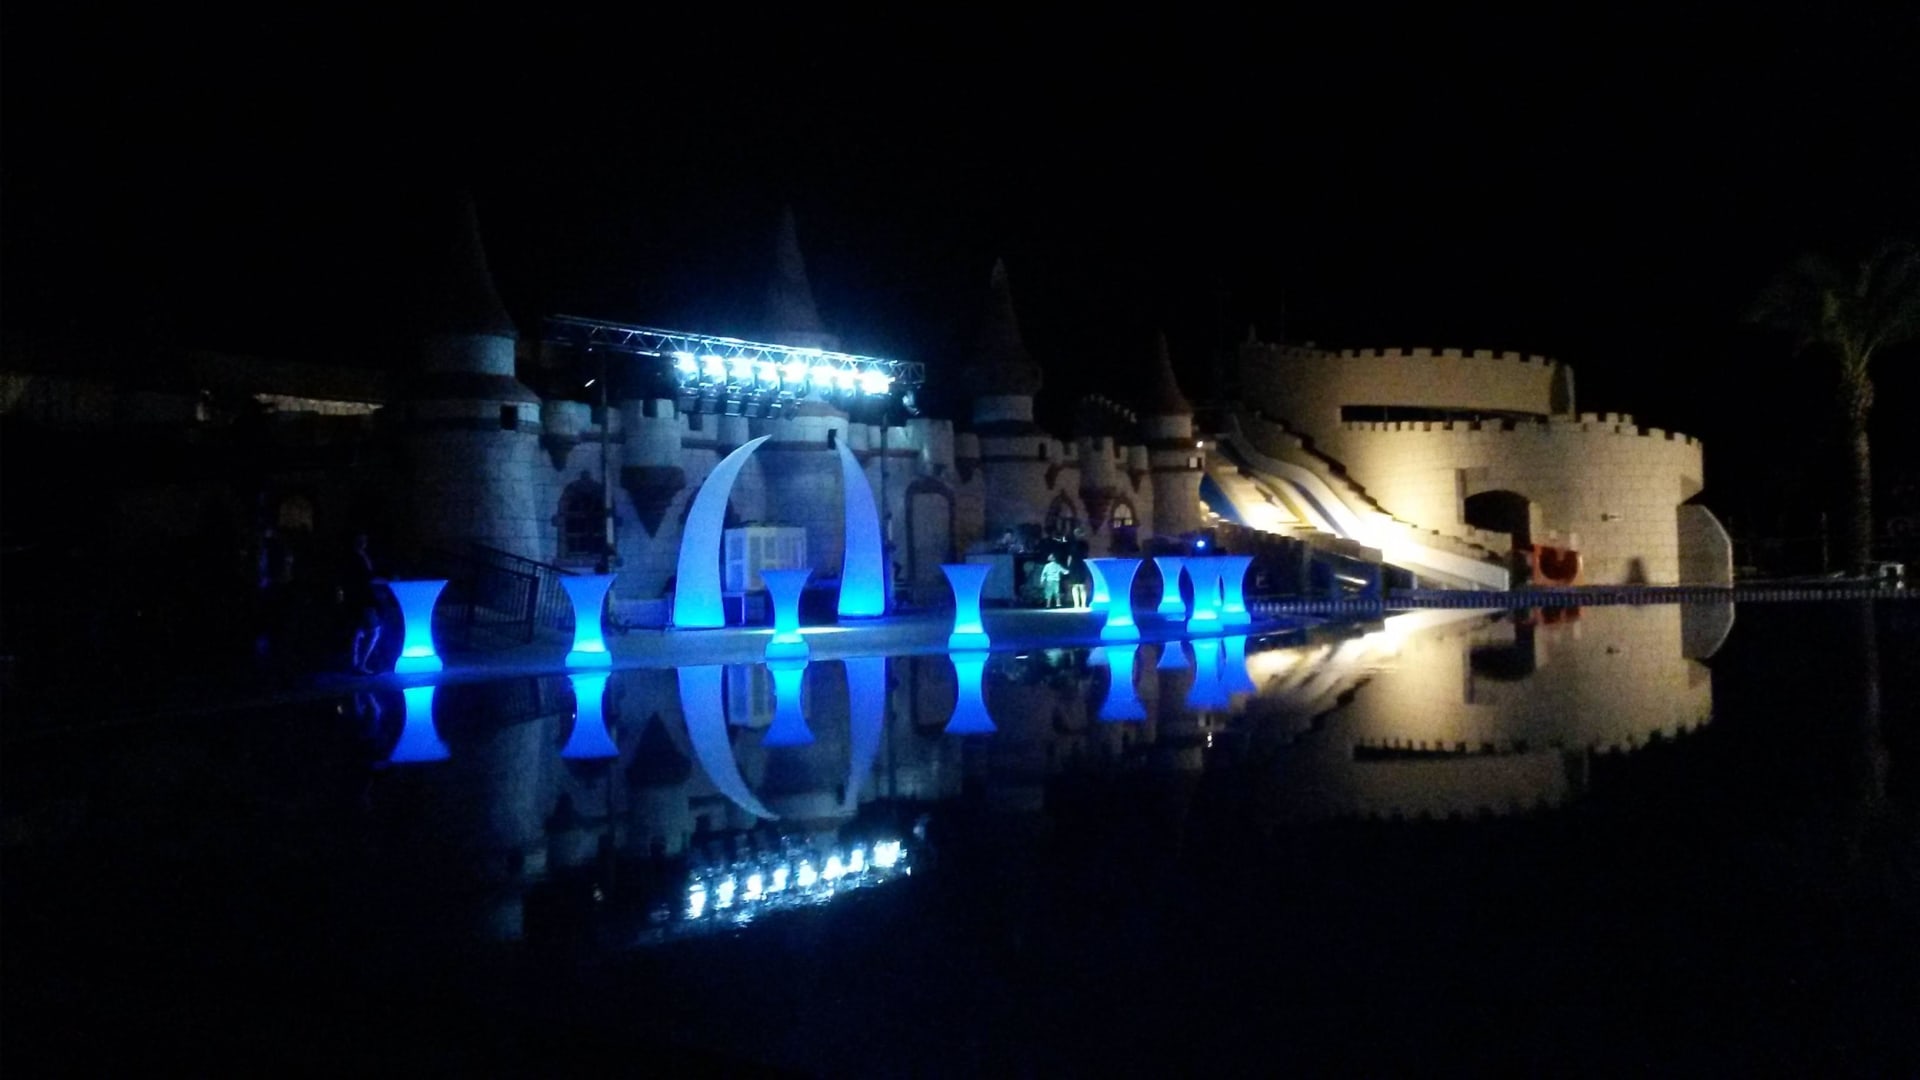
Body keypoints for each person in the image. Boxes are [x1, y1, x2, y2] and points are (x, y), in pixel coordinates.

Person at [342, 532, 385, 674]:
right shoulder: (355, 557)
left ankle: (355, 664)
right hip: (362, 598)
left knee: (358, 631)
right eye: (361, 538)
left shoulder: (357, 556)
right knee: (373, 630)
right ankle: (360, 664)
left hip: (359, 598)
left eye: (365, 538)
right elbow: (364, 577)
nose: (364, 541)